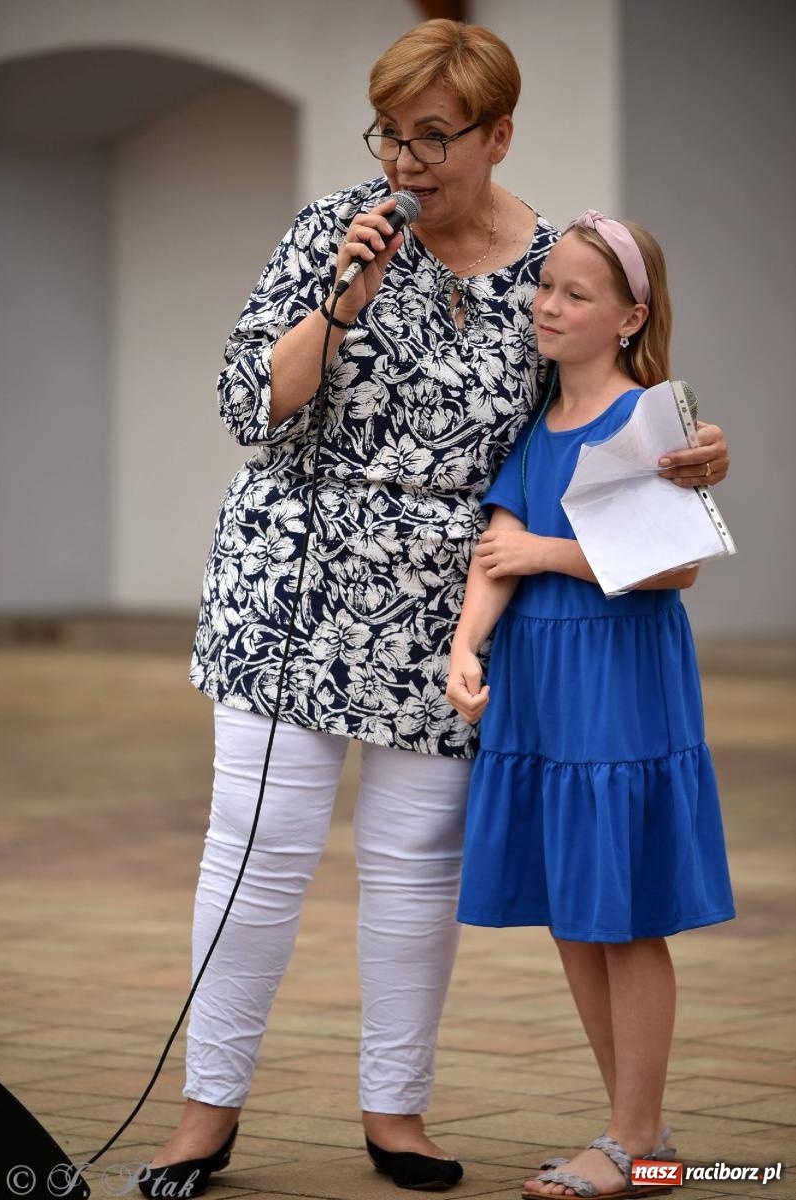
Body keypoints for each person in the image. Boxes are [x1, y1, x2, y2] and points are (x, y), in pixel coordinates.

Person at [142, 20, 730, 1198]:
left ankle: (394, 1113)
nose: (404, 161)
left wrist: (690, 450)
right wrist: (343, 303)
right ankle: (204, 1115)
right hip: (291, 581)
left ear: (497, 136)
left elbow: (604, 400)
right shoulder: (332, 230)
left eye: (433, 137)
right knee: (257, 855)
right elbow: (248, 406)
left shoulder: (549, 261)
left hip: (451, 597)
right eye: (390, 135)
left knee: (413, 866)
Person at [446, 211, 735, 1199]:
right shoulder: (539, 424)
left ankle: (632, 1140)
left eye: (576, 293)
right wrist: (466, 644)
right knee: (578, 908)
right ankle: (632, 1140)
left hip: (617, 687)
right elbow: (497, 547)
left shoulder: (651, 416)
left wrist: (545, 556)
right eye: (547, 288)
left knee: (623, 912)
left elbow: (679, 563)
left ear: (628, 317)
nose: (549, 306)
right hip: (542, 691)